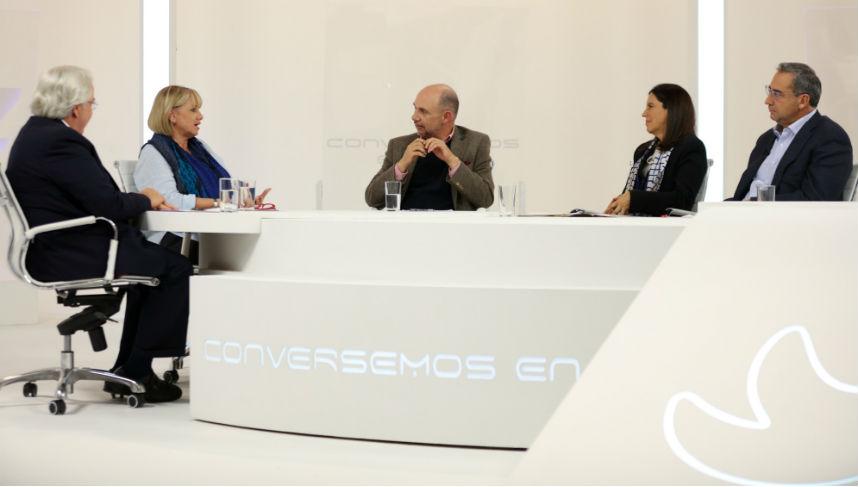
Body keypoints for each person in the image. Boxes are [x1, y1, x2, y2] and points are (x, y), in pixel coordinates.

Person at [5, 66, 190, 403]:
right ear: (76, 108)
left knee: (149, 270)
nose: (92, 109)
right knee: (174, 268)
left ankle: (128, 370)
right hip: (71, 251)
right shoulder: (60, 142)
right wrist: (146, 198)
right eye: (92, 103)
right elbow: (108, 204)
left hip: (54, 248)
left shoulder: (34, 134)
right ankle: (138, 372)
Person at [134, 85, 270, 259]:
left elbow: (226, 187)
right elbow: (170, 201)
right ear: (172, 115)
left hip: (209, 233)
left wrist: (242, 200)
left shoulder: (200, 147)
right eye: (193, 110)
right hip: (178, 238)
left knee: (263, 247)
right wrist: (218, 203)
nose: (200, 116)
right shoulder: (153, 153)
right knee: (255, 255)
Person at [730, 62, 853, 201]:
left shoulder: (830, 138)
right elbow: (741, 197)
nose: (768, 101)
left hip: (777, 215)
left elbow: (815, 200)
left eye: (777, 94)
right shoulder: (766, 139)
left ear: (803, 101)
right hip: (744, 211)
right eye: (769, 91)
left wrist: (752, 205)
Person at [365, 84, 494, 210]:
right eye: (415, 108)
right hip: (407, 222)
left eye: (423, 111)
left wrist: (452, 161)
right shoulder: (399, 145)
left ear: (446, 117)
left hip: (452, 223)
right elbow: (372, 199)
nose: (414, 117)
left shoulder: (476, 142)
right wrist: (401, 166)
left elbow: (486, 199)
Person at [605, 84, 707, 216]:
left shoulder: (692, 147)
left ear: (671, 110)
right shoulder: (642, 151)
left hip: (668, 227)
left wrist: (634, 199)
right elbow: (630, 196)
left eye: (650, 106)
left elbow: (682, 201)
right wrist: (617, 206)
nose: (644, 113)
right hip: (636, 225)